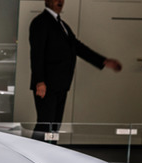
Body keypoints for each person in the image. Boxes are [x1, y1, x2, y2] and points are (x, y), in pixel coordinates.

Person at [29, 0, 121, 142]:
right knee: (45, 124)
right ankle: (31, 154)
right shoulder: (40, 23)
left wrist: (103, 61)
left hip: (61, 84)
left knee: (55, 125)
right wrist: (40, 81)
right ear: (47, 1)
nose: (60, 1)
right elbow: (37, 54)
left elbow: (77, 47)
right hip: (46, 85)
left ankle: (51, 151)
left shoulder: (62, 25)